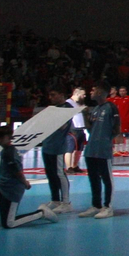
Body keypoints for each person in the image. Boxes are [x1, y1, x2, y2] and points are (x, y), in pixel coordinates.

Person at [0, 125, 55, 228]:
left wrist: (25, 183)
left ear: (8, 137)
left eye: (1, 137)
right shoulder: (6, 150)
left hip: (12, 190)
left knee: (9, 224)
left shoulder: (9, 153)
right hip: (5, 187)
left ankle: (41, 213)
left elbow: (17, 171)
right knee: (6, 221)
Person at [79, 84, 119, 218]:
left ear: (101, 93)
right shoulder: (95, 109)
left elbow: (116, 129)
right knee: (93, 178)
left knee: (106, 178)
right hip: (91, 149)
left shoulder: (111, 107)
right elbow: (90, 129)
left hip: (103, 150)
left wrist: (106, 141)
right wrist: (85, 115)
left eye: (93, 90)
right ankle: (96, 205)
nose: (91, 92)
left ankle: (108, 207)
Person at [39, 89, 74, 217]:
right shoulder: (52, 108)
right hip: (47, 144)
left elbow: (62, 126)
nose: (50, 97)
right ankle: (55, 199)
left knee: (59, 173)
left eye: (53, 94)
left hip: (58, 146)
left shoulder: (67, 108)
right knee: (50, 173)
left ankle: (66, 202)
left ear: (61, 94)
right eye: (49, 94)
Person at [65, 86, 87, 175]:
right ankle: (68, 167)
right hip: (72, 129)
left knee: (79, 149)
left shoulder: (79, 104)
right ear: (77, 94)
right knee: (70, 149)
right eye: (83, 95)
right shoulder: (68, 103)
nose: (84, 96)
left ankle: (75, 166)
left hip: (80, 128)